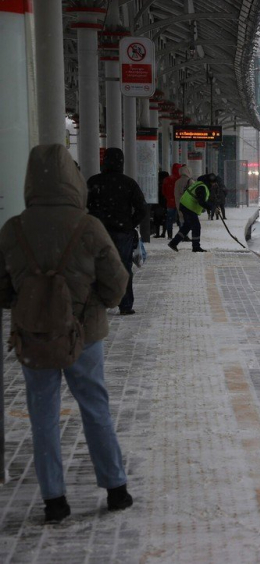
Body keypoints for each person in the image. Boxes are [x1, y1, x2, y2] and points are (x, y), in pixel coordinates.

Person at [0, 144, 134, 523]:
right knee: (95, 408)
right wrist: (93, 305)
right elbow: (116, 282)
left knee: (42, 415)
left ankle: (54, 500)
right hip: (83, 335)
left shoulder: (13, 229)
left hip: (34, 336)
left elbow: (3, 288)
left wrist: (28, 303)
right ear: (73, 181)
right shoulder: (87, 226)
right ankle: (115, 489)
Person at [86, 148, 148, 315]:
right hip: (122, 233)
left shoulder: (93, 182)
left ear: (104, 161)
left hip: (97, 232)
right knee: (123, 267)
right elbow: (142, 209)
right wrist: (129, 224)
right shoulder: (128, 183)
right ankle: (125, 304)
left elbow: (83, 205)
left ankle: (96, 302)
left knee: (95, 266)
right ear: (122, 162)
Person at [168, 176, 212, 252]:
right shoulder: (202, 187)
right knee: (196, 226)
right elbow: (201, 201)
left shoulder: (199, 184)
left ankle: (173, 243)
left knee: (187, 226)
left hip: (185, 206)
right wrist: (212, 207)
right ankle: (196, 247)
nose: (214, 185)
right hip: (188, 207)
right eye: (214, 183)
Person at [162, 163, 181, 234]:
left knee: (169, 219)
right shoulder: (181, 180)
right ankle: (182, 234)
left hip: (170, 202)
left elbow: (164, 192)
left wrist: (169, 198)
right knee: (181, 219)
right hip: (180, 202)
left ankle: (169, 234)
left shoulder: (167, 179)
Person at [152, 170, 169, 238]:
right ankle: (163, 233)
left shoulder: (157, 184)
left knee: (157, 220)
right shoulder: (167, 183)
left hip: (158, 203)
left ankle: (157, 233)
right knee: (165, 219)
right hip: (166, 203)